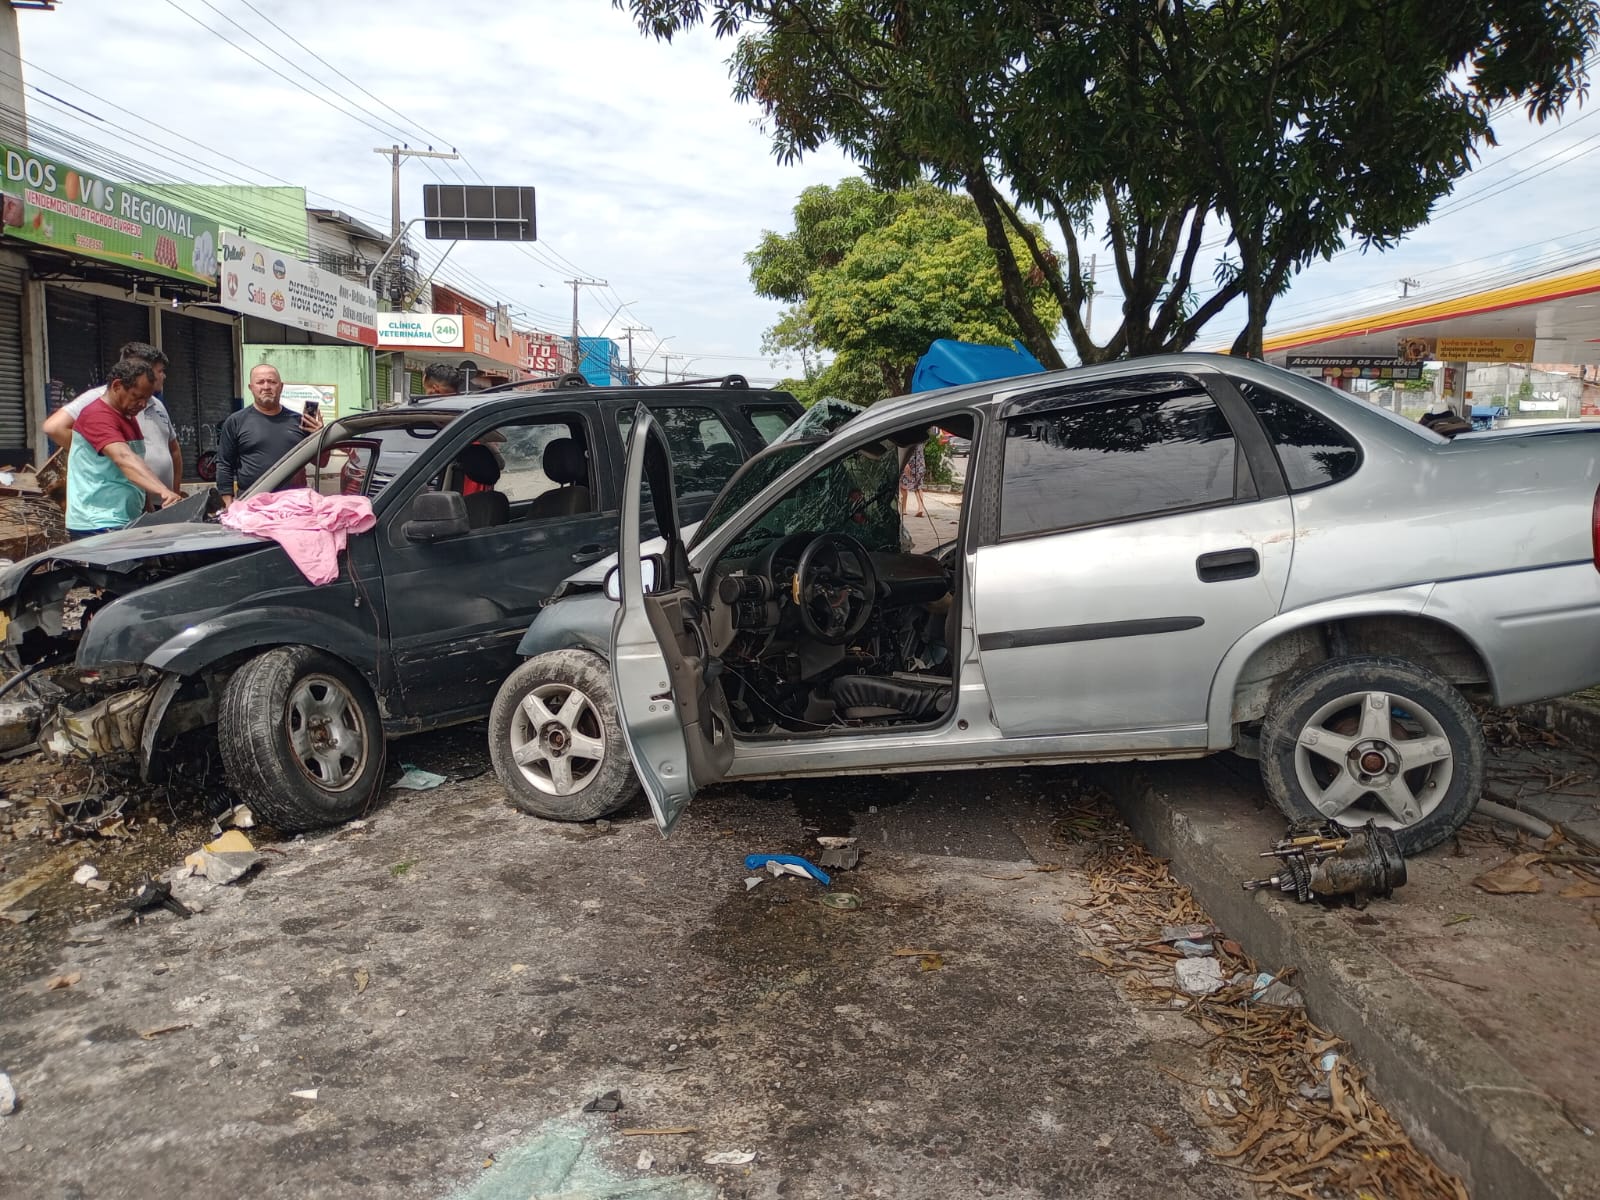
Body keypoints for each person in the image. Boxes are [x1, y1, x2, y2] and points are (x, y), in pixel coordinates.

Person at [64, 358, 183, 538]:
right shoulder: (97, 416)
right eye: (138, 397)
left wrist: (147, 508)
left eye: (147, 398)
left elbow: (137, 464)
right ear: (117, 386)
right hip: (98, 523)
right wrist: (163, 491)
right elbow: (124, 459)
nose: (143, 405)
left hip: (125, 519)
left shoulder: (128, 417)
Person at [42, 342, 183, 491]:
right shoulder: (100, 400)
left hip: (148, 498)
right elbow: (53, 427)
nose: (164, 376)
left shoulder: (153, 405)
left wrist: (172, 492)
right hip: (109, 502)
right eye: (159, 371)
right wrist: (96, 451)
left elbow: (173, 450)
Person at [215, 364, 324, 507]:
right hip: (252, 504)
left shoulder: (299, 421)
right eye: (260, 382)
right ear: (251, 387)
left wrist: (320, 436)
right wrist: (227, 504)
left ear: (281, 386)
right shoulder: (235, 422)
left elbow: (321, 462)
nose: (266, 386)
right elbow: (224, 464)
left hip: (294, 506)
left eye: (272, 382)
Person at [899, 440, 927, 518]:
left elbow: (903, 448)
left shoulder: (907, 435)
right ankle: (920, 508)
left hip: (911, 461)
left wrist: (905, 463)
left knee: (904, 485)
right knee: (918, 486)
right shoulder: (921, 435)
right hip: (919, 461)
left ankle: (905, 509)